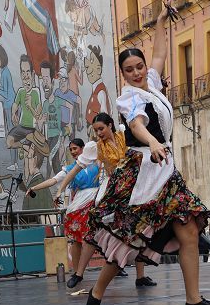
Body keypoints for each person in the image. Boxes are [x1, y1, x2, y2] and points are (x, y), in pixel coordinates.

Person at [82, 2, 210, 305]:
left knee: (188, 232)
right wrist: (154, 142)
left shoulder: (153, 84)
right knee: (129, 240)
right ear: (123, 73)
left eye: (139, 66)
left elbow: (160, 52)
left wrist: (160, 22)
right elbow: (136, 125)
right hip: (141, 171)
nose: (136, 72)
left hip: (165, 169)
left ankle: (193, 299)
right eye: (129, 69)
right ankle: (97, 292)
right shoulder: (129, 97)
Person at [53, 112, 152, 286]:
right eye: (96, 130)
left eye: (101, 129)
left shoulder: (123, 133)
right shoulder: (95, 147)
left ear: (110, 125)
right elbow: (74, 170)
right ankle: (79, 273)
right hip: (112, 190)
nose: (99, 133)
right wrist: (60, 190)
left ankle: (140, 276)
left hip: (133, 189)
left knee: (139, 230)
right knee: (95, 230)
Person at [26, 138, 103, 286]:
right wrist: (34, 188)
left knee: (105, 236)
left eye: (76, 148)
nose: (74, 152)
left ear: (83, 149)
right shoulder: (71, 168)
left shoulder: (97, 162)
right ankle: (77, 273)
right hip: (80, 204)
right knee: (77, 240)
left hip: (98, 201)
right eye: (71, 150)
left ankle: (115, 266)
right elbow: (54, 180)